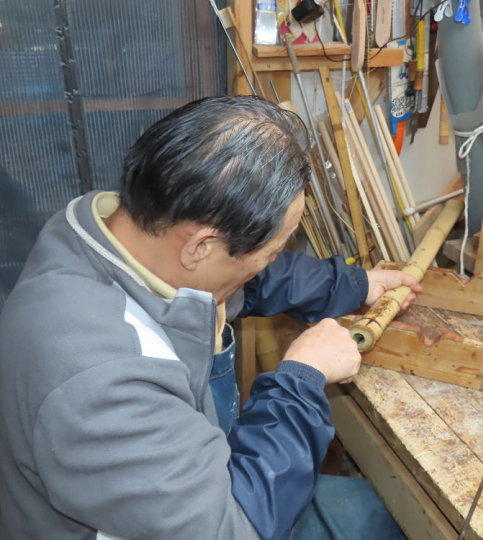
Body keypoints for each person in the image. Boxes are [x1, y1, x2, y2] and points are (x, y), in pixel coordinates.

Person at [0, 96, 421, 540]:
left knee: (379, 514)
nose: (270, 261)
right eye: (273, 250)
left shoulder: (114, 232)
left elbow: (243, 277)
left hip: (192, 487)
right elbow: (234, 528)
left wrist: (351, 285)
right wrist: (302, 378)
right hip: (215, 519)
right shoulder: (100, 384)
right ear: (200, 246)